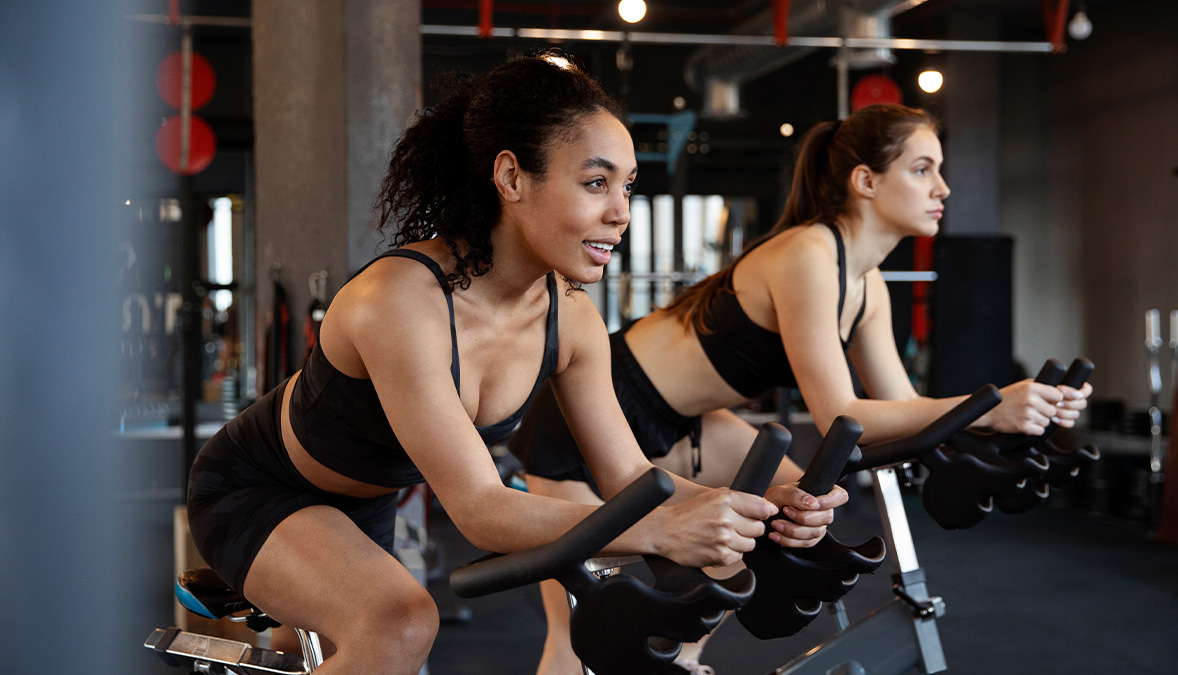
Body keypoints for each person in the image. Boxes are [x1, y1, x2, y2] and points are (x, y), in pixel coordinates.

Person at [186, 55, 814, 675]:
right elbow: (481, 509)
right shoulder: (400, 303)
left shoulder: (572, 319)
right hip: (257, 490)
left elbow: (628, 476)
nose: (621, 212)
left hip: (367, 505)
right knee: (400, 625)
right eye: (596, 183)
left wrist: (753, 506)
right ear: (512, 178)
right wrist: (660, 532)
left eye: (626, 187)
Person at [509, 103, 1093, 674]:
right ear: (865, 180)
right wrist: (988, 408)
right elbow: (838, 411)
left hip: (686, 420)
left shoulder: (867, 286)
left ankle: (684, 654)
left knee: (793, 510)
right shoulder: (809, 253)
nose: (942, 188)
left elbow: (899, 412)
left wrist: (1013, 413)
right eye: (923, 169)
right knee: (583, 637)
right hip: (593, 408)